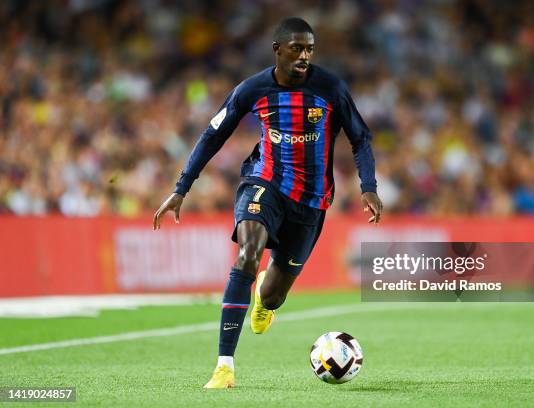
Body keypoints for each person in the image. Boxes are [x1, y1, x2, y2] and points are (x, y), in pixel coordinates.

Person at [153, 17, 383, 389]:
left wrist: (368, 186)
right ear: (277, 50)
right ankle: (224, 366)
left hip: (311, 202)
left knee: (274, 295)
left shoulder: (331, 88)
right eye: (296, 48)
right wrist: (182, 188)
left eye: (309, 48)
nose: (304, 55)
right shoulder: (252, 89)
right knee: (247, 251)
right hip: (265, 183)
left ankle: (263, 298)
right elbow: (213, 135)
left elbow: (361, 139)